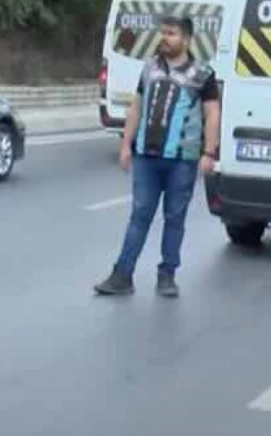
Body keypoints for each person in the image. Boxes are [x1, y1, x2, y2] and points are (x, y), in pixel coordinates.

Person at [94, 16, 221, 298]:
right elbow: (136, 107)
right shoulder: (150, 67)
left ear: (186, 39)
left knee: (174, 218)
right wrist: (126, 145)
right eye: (162, 32)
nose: (164, 37)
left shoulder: (203, 74)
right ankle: (122, 275)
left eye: (171, 33)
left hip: (182, 160)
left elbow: (212, 113)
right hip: (146, 158)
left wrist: (208, 152)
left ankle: (167, 275)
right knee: (140, 215)